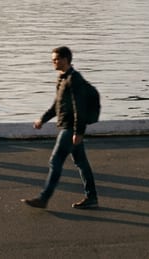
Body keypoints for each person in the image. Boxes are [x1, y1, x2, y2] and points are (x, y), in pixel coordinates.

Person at [22, 46, 98, 210]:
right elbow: (57, 105)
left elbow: (80, 108)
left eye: (56, 59)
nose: (54, 62)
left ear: (65, 59)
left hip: (70, 128)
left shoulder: (74, 79)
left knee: (55, 161)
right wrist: (43, 119)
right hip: (68, 126)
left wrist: (78, 132)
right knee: (81, 163)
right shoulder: (62, 78)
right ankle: (91, 197)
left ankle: (44, 198)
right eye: (53, 60)